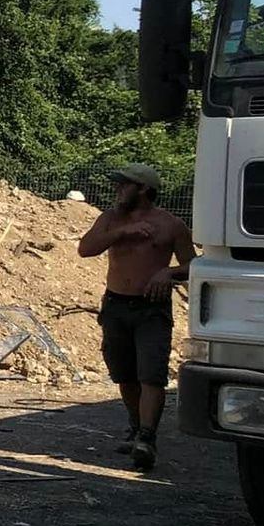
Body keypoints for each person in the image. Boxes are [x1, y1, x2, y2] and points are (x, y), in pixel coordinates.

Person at [76, 163, 193, 470]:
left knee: (151, 374)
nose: (118, 190)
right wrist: (122, 231)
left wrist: (169, 272)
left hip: (151, 309)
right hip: (115, 306)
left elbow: (193, 265)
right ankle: (134, 424)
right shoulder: (111, 219)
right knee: (124, 374)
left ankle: (147, 438)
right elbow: (85, 249)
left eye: (124, 185)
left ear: (143, 189)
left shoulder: (171, 225)